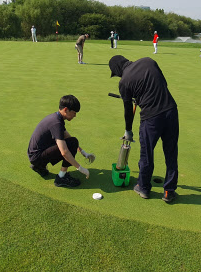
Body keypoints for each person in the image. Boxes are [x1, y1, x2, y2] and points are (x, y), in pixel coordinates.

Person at [109, 55, 179, 203]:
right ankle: (169, 191)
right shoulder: (148, 61)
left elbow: (128, 110)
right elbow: (162, 83)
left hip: (151, 118)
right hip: (171, 111)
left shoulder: (124, 82)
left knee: (147, 154)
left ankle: (144, 187)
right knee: (171, 153)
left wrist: (128, 130)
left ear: (117, 69)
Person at [28, 95, 95, 188]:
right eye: (74, 112)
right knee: (70, 144)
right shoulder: (56, 123)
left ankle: (39, 166)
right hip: (37, 157)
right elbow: (64, 152)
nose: (75, 116)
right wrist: (80, 168)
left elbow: (68, 137)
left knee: (70, 141)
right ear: (66, 109)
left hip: (35, 155)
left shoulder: (56, 117)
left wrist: (84, 153)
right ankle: (61, 178)